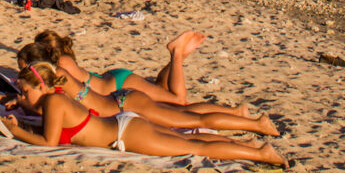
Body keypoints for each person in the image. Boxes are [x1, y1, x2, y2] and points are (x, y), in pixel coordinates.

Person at [1, 62, 286, 166]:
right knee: (191, 137)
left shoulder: (54, 102)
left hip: (126, 131)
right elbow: (46, 122)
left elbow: (49, 142)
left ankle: (260, 152)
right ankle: (248, 144)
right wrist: (20, 106)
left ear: (42, 85)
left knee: (195, 143)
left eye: (24, 91)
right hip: (124, 120)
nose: (22, 96)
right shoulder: (56, 98)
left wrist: (16, 131)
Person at [15, 41, 278, 136]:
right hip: (121, 99)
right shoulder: (58, 76)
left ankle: (256, 124)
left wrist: (21, 104)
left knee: (190, 118)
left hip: (124, 103)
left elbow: (47, 114)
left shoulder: (58, 77)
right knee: (182, 114)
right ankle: (239, 114)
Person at [28, 29, 203, 106]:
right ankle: (177, 58)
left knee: (177, 101)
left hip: (118, 85)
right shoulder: (64, 60)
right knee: (160, 88)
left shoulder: (62, 64)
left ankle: (177, 53)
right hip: (112, 80)